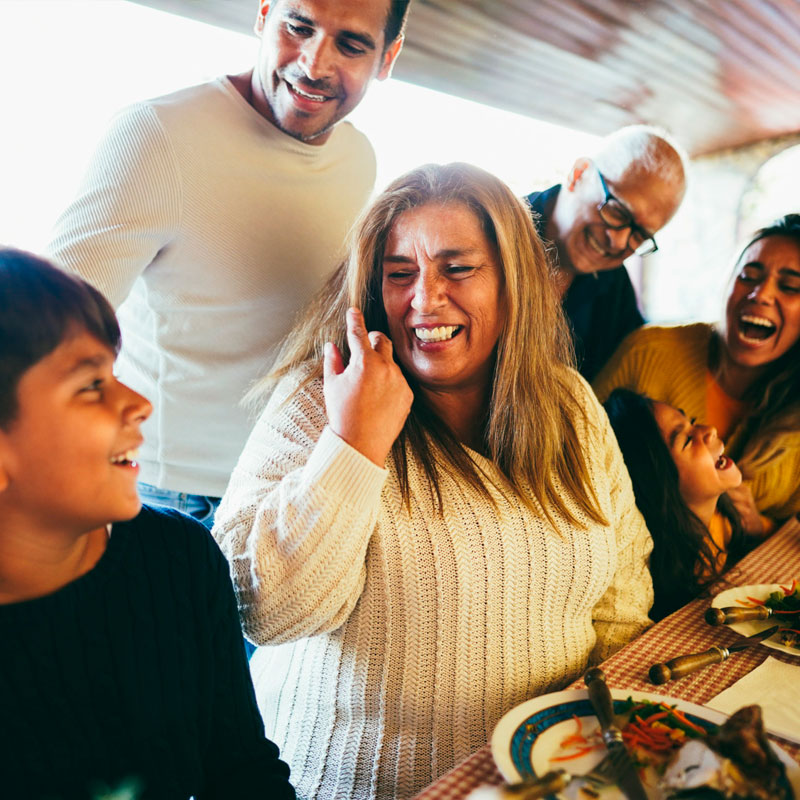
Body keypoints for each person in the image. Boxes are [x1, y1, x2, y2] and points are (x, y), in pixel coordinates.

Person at [212, 163, 654, 799]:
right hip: (358, 784)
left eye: (457, 268)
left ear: (515, 282)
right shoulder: (318, 401)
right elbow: (266, 612)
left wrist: (602, 734)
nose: (423, 298)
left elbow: (623, 587)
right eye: (399, 273)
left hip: (551, 779)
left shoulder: (571, 404)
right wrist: (354, 443)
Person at [46, 0, 408, 528]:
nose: (313, 63)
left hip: (291, 487)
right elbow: (44, 327)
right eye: (298, 26)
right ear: (264, 13)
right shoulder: (158, 135)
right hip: (172, 495)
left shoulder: (361, 159)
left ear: (387, 58)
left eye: (351, 45)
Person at [0, 249, 295, 800]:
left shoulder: (177, 558)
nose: (138, 403)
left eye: (115, 371)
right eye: (90, 385)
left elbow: (243, 772)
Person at [594, 214, 800, 536]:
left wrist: (759, 527)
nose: (760, 294)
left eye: (790, 287)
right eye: (748, 276)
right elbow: (573, 462)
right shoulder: (649, 351)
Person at [524, 125, 688, 381]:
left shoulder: (615, 287)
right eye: (617, 211)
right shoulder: (490, 235)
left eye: (640, 235)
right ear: (578, 175)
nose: (618, 242)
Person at [605, 389, 748, 620]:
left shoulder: (724, 520)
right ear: (659, 486)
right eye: (688, 440)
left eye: (692, 422)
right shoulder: (654, 578)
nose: (709, 430)